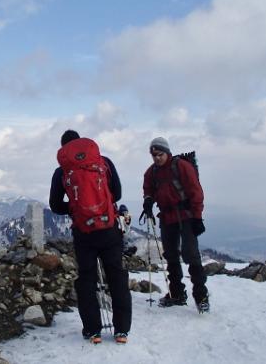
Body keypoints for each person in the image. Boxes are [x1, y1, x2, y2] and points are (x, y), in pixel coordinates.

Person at [49, 130, 132, 344]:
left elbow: (55, 205)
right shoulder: (104, 162)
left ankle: (92, 331)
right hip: (109, 228)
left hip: (83, 232)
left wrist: (75, 208)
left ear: (64, 148)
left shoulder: (62, 171)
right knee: (117, 276)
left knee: (86, 279)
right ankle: (121, 330)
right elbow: (118, 193)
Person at [142, 137, 210, 313]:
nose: (157, 158)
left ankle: (201, 296)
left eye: (160, 154)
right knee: (171, 255)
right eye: (154, 155)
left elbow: (196, 192)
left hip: (186, 216)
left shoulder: (181, 166)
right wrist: (148, 200)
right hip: (167, 216)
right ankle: (177, 293)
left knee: (191, 254)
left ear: (167, 152)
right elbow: (148, 188)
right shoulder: (152, 172)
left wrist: (197, 217)